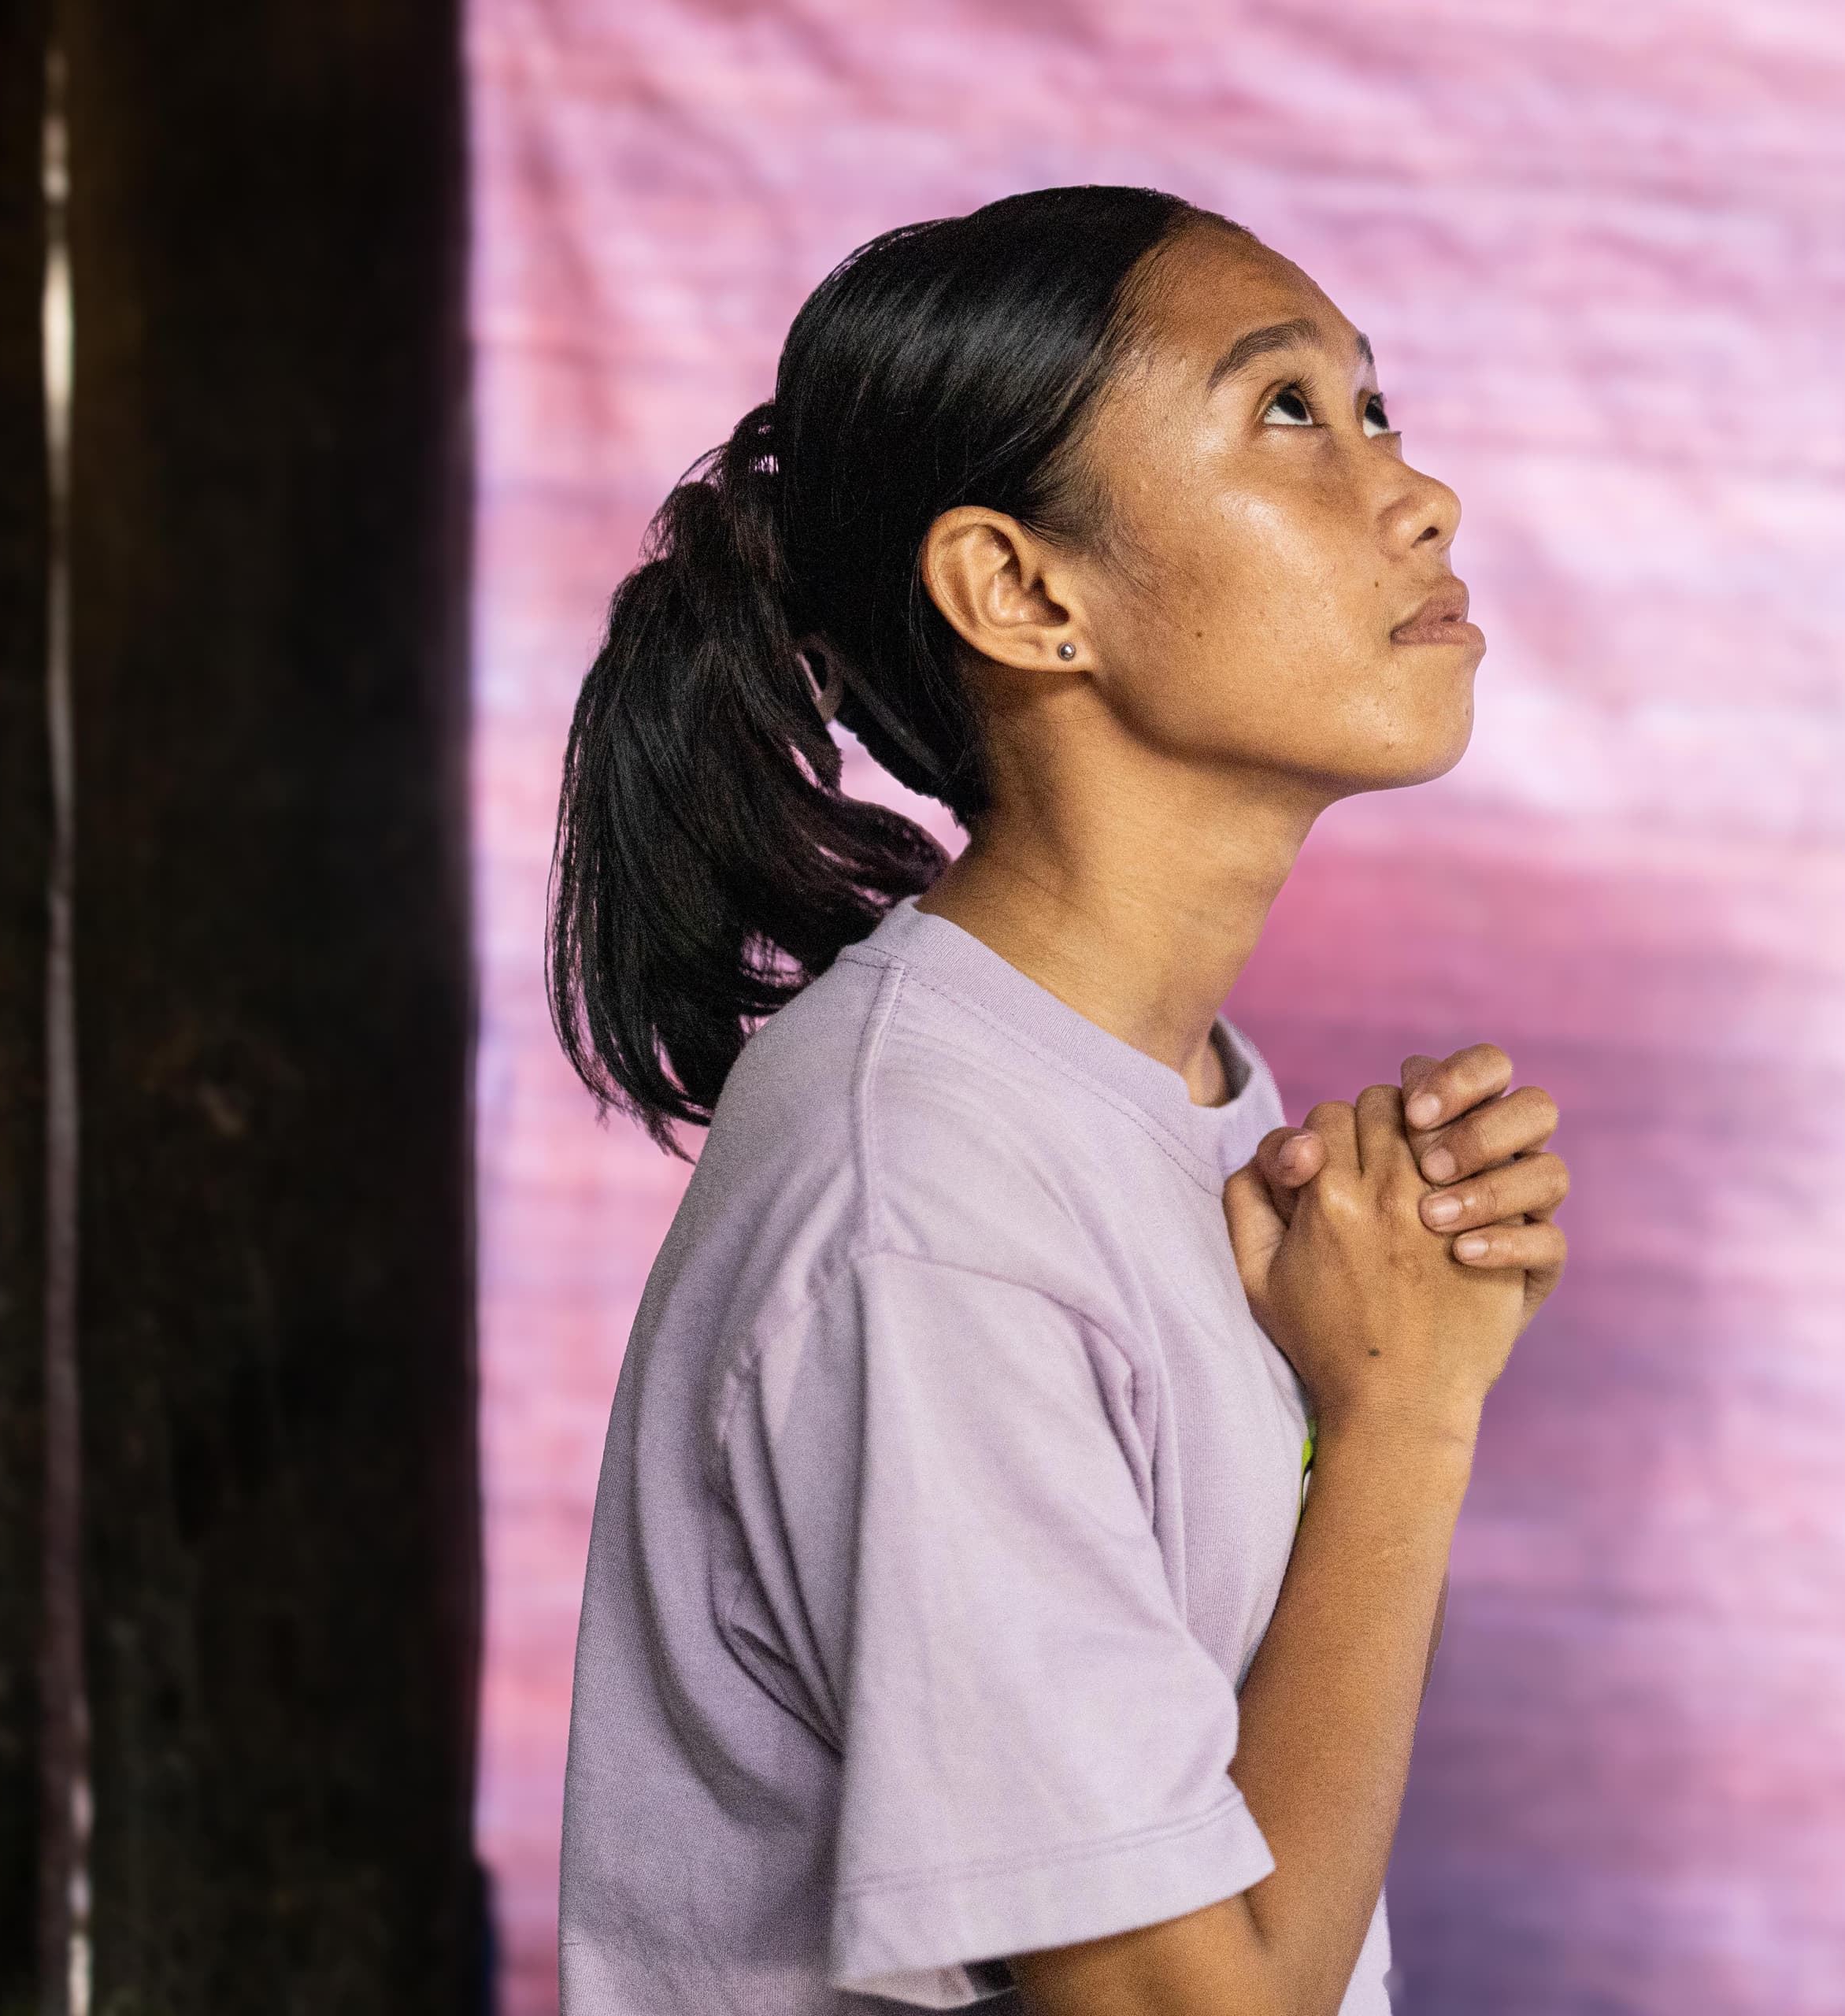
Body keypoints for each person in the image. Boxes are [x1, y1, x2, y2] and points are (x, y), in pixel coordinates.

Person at [545, 184, 1569, 2015]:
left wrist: (1368, 1342)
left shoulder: (1169, 1103)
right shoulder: (929, 1196)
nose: (1421, 493)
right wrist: (1404, 1414)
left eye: (1376, 405)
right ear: (1025, 592)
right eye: (1285, 413)